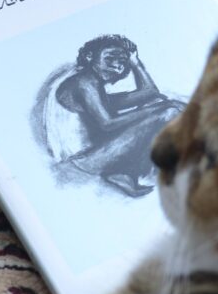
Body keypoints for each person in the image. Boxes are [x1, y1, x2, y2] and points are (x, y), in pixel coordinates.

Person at [47, 34, 183, 197]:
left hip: (97, 155)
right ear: (90, 56)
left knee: (170, 106)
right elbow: (107, 124)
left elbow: (150, 92)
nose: (118, 63)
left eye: (123, 59)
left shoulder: (96, 91)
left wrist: (135, 63)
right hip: (84, 160)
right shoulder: (84, 82)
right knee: (169, 111)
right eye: (111, 56)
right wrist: (155, 110)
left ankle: (126, 172)